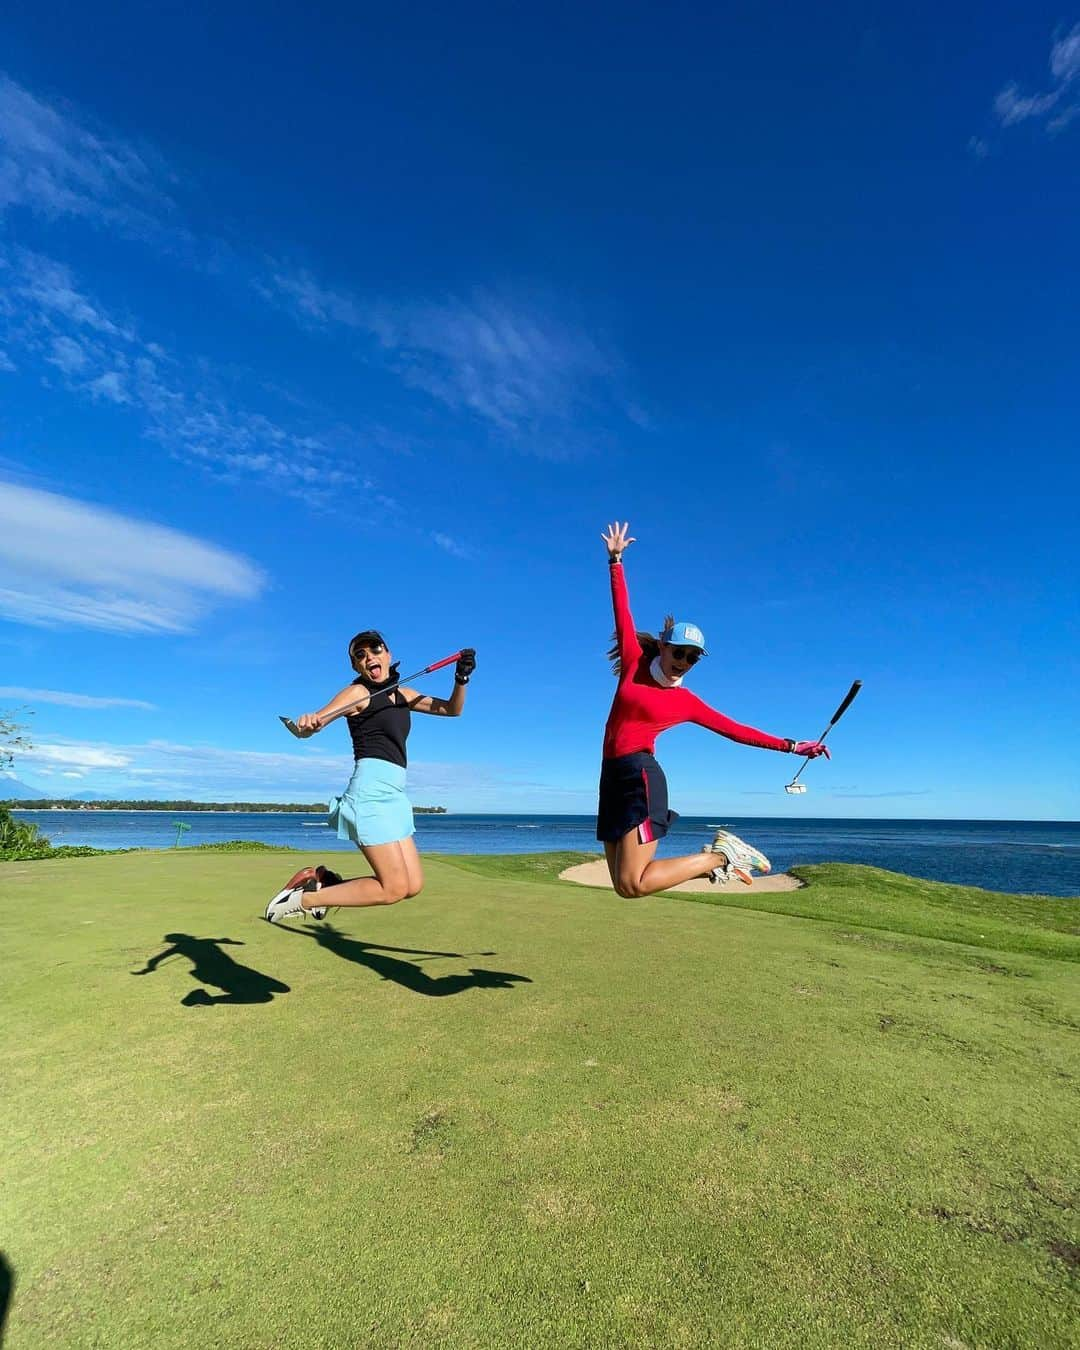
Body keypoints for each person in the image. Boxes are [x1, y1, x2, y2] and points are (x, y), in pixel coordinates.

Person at [597, 521, 829, 897]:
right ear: (664, 646)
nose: (683, 662)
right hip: (611, 778)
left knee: (636, 884)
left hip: (641, 777)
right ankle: (715, 864)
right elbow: (621, 611)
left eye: (692, 658)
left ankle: (721, 858)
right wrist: (616, 560)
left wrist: (792, 746)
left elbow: (737, 730)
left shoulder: (685, 701)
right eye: (679, 652)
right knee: (624, 886)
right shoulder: (634, 660)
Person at [265, 632, 476, 922]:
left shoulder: (404, 695)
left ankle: (326, 883)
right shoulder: (358, 693)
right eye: (360, 655)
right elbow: (317, 722)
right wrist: (307, 723)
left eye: (375, 650)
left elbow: (453, 710)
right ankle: (302, 898)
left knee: (413, 885)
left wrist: (461, 677)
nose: (369, 657)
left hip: (395, 794)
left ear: (388, 654)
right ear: (356, 667)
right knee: (392, 888)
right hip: (370, 792)